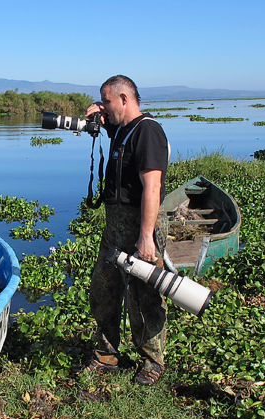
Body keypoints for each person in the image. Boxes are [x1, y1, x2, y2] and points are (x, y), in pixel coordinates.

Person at [83, 75, 170, 385]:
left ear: (124, 99)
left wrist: (146, 237)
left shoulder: (147, 132)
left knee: (142, 297)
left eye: (107, 101)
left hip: (138, 227)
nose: (105, 107)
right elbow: (104, 123)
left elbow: (153, 187)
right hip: (114, 227)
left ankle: (151, 362)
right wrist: (95, 115)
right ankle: (106, 354)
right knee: (104, 289)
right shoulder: (122, 129)